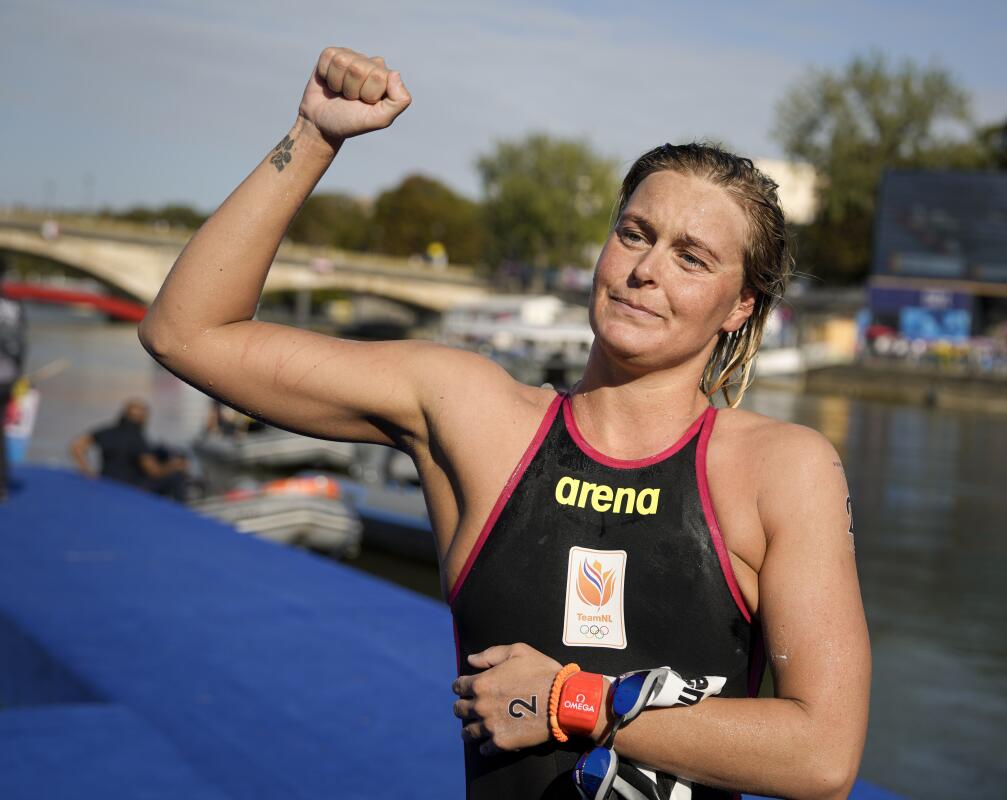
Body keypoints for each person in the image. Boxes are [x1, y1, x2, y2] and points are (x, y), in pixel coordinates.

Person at [138, 47, 870, 799]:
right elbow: (186, 334)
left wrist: (570, 702)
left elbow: (823, 754)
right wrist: (314, 137)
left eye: (691, 257)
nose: (646, 269)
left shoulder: (780, 469)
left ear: (741, 304)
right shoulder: (475, 415)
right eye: (634, 233)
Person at [71, 399, 191, 501]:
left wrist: (88, 472)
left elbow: (77, 447)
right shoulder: (137, 439)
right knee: (176, 476)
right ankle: (181, 514)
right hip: (131, 488)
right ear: (142, 419)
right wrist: (174, 466)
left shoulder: (107, 432)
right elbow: (153, 470)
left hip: (106, 482)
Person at [0, 268, 27, 502]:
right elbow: (21, 342)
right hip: (6, 375)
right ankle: (1, 483)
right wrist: (18, 374)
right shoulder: (14, 305)